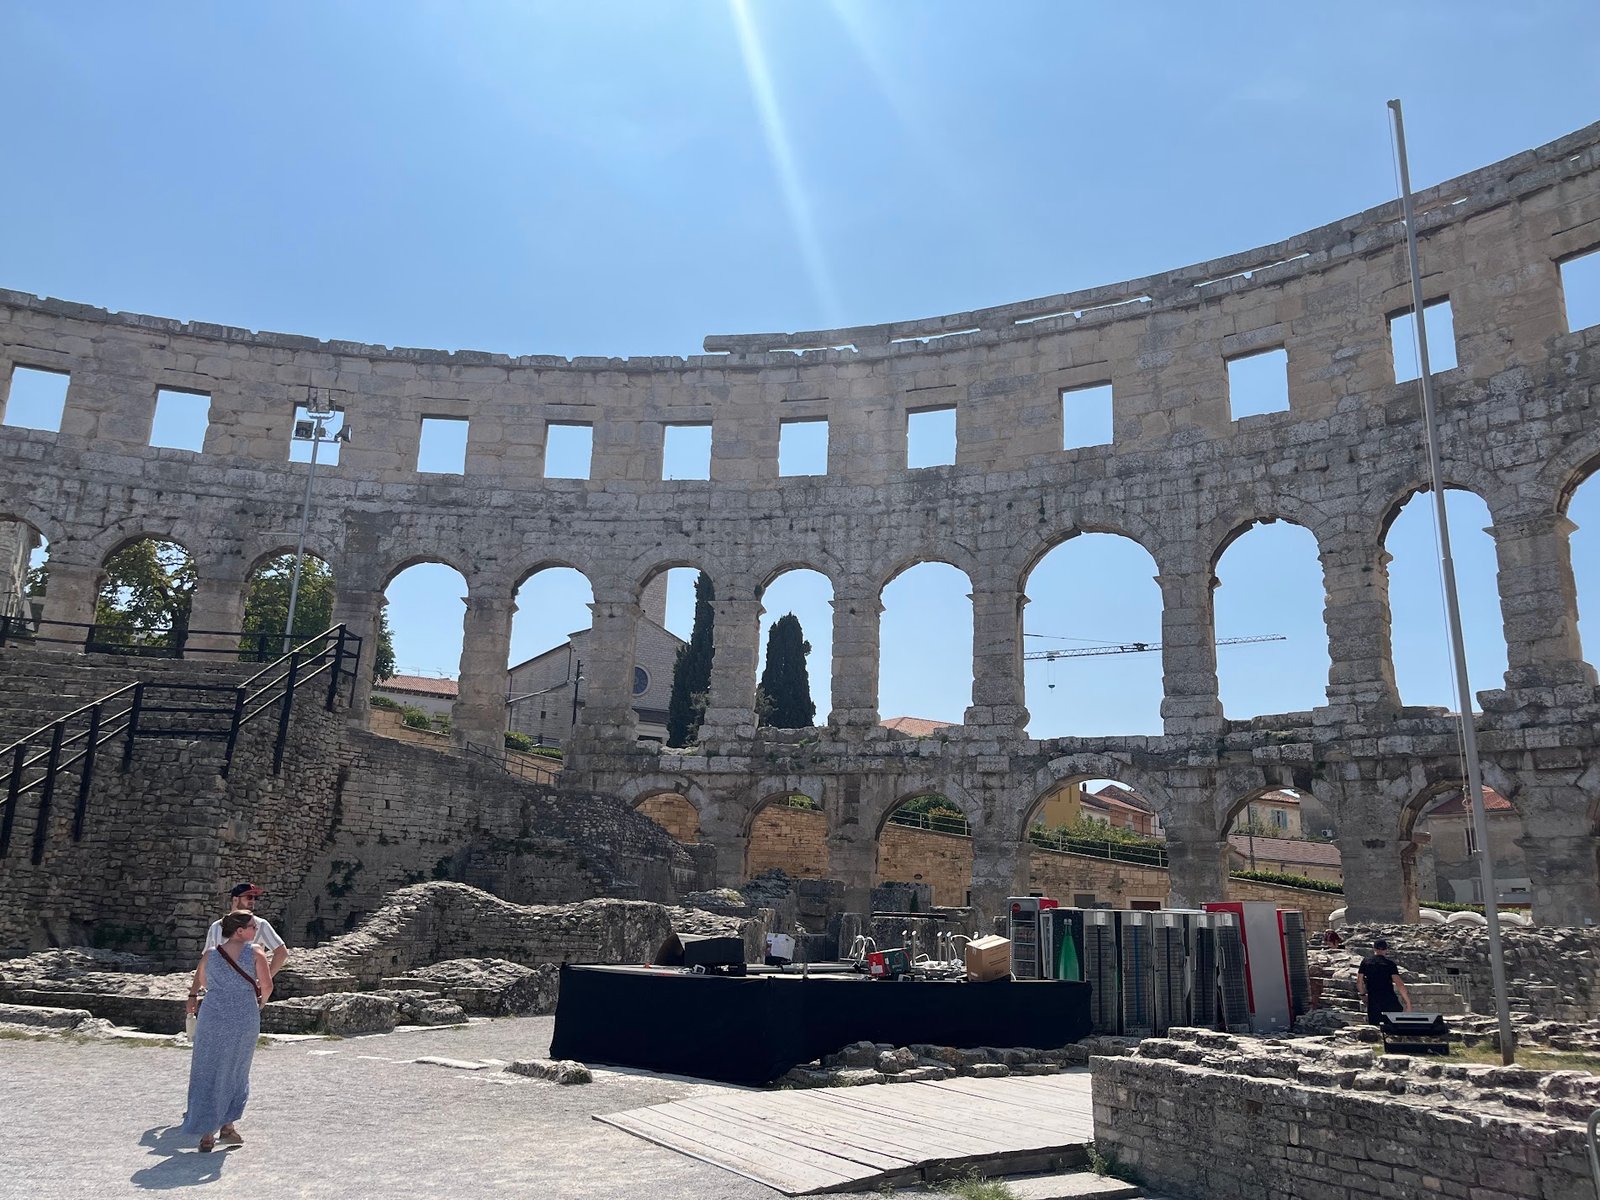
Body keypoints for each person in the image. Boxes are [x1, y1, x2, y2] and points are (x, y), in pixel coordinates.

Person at [181, 910, 272, 1152]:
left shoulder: (211, 954)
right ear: (240, 931)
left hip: (212, 1015)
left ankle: (207, 1132)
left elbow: (203, 982)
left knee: (207, 1069)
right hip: (243, 1016)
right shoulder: (256, 952)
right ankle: (227, 1127)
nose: (256, 930)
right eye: (252, 927)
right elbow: (266, 985)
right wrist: (258, 1004)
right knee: (235, 1070)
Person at [203, 882, 287, 977]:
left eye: (255, 898)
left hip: (248, 984)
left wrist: (264, 980)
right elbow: (207, 959)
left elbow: (281, 952)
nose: (253, 901)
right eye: (249, 897)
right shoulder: (216, 927)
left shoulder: (261, 925)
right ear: (235, 899)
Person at [1357, 936, 1410, 1025]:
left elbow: (1359, 981)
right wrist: (1408, 1003)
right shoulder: (1390, 964)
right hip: (1389, 1000)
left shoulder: (1366, 962)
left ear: (1374, 949)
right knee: (1394, 1026)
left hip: (1374, 1000)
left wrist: (1363, 995)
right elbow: (1399, 984)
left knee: (1376, 1027)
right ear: (1386, 950)